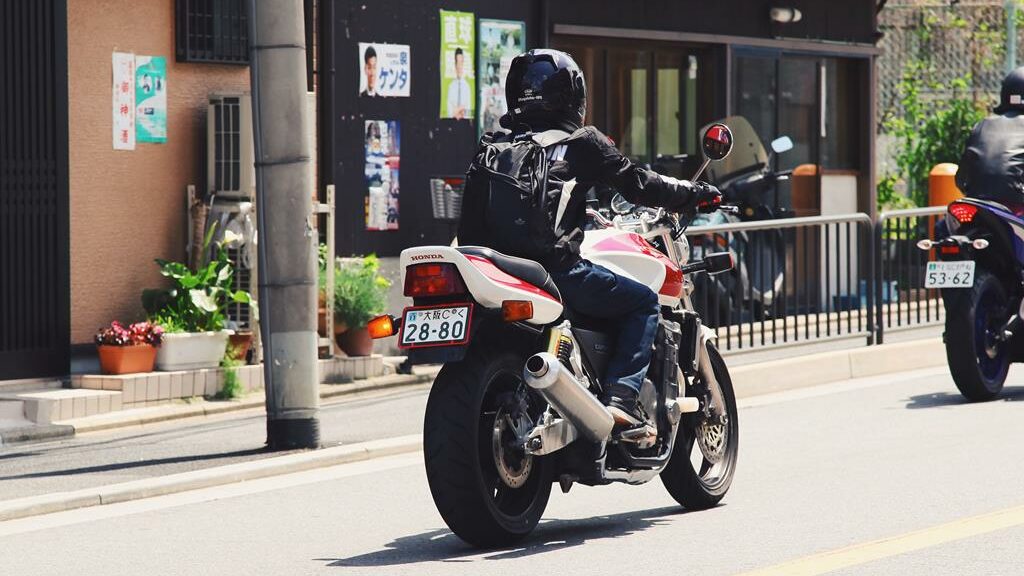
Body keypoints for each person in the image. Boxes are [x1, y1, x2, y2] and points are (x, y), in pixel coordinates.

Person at [477, 49, 721, 427]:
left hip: (495, 271)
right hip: (555, 271)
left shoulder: (493, 147)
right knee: (641, 303)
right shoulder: (582, 143)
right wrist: (693, 193)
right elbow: (640, 184)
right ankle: (622, 398)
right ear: (572, 96)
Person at [956, 66, 1024, 207]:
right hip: (1016, 206)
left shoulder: (982, 125)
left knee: (941, 226)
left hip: (977, 204)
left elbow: (961, 178)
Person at [446, 47, 471, 119]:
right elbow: (449, 111)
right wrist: (461, 109)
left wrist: (456, 110)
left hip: (464, 122)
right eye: (457, 62)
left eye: (461, 62)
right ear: (454, 64)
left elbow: (468, 111)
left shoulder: (467, 86)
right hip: (452, 122)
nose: (459, 66)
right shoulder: (451, 86)